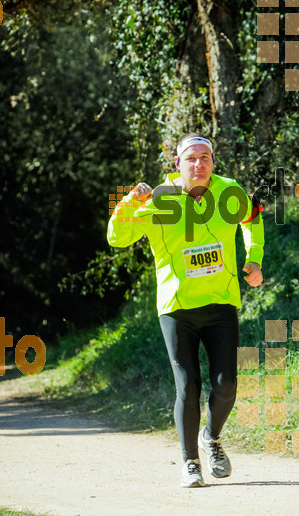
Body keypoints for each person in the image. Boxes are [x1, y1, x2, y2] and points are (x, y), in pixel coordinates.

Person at [107, 133, 264, 488]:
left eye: (205, 156)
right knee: (188, 386)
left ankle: (211, 437)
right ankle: (190, 462)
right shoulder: (159, 199)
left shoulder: (229, 191)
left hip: (221, 301)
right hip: (177, 308)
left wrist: (254, 259)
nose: (199, 163)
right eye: (191, 158)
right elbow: (117, 236)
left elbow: (252, 219)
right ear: (177, 164)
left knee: (226, 385)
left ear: (213, 160)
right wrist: (130, 203)